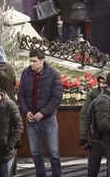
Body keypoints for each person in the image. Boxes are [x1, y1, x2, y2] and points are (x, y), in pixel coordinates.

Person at [16, 49, 63, 177]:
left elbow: (57, 98)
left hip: (48, 119)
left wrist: (43, 112)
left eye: (34, 61)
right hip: (31, 119)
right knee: (36, 152)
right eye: (30, 60)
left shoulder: (53, 74)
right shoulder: (26, 73)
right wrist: (26, 112)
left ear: (42, 61)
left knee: (54, 152)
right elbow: (21, 95)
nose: (31, 63)